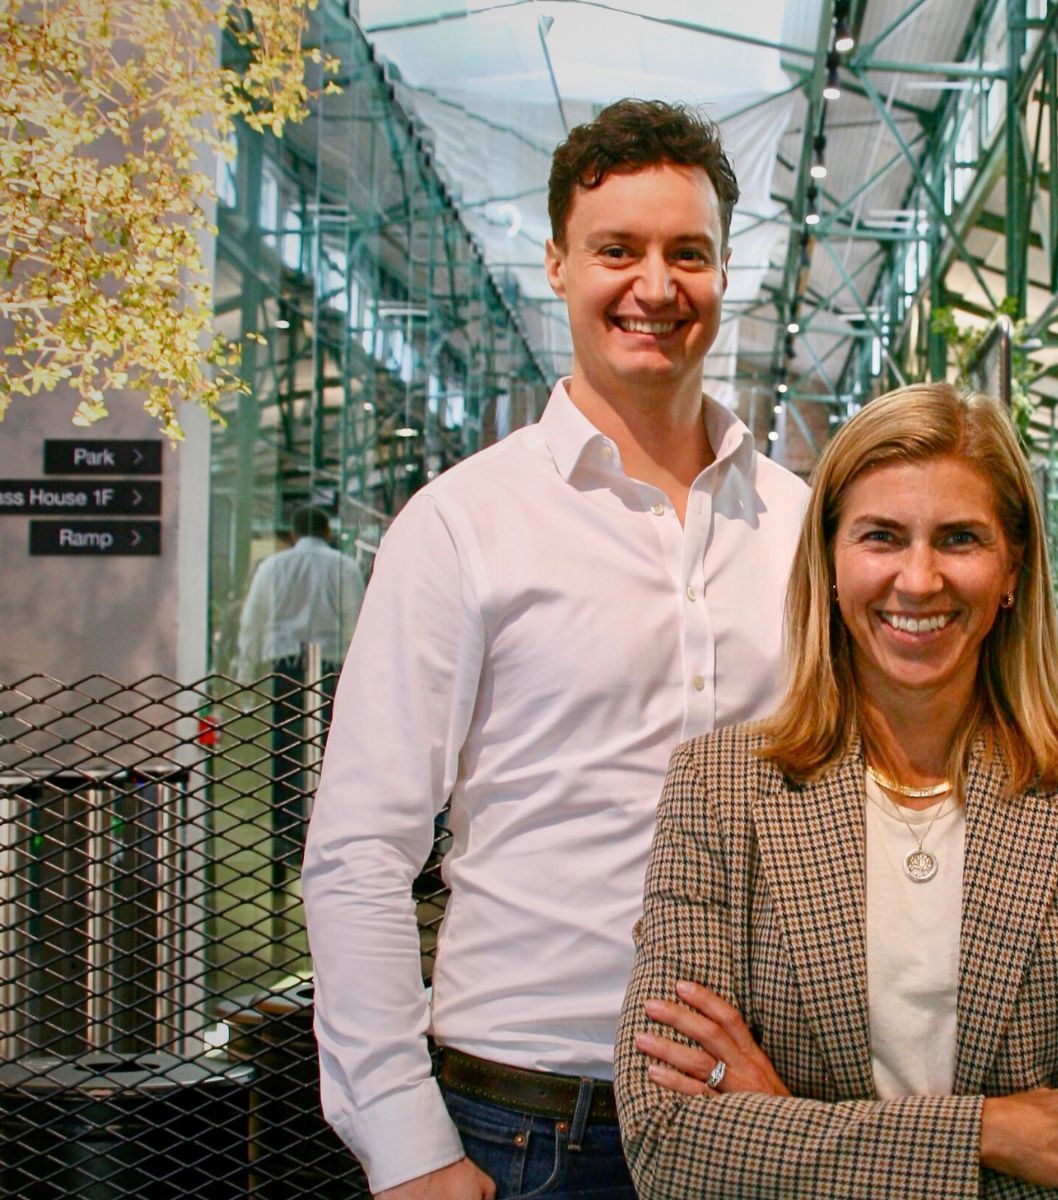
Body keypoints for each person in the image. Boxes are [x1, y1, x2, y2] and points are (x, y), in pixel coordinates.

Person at [302, 100, 809, 1200]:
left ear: (727, 272)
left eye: (690, 253)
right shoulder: (463, 523)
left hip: (762, 1112)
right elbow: (358, 852)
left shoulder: (803, 524)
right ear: (556, 264)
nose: (656, 286)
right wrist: (403, 1141)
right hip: (530, 1123)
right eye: (616, 250)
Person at [614, 384, 1058, 1200]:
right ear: (828, 563)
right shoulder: (719, 792)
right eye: (881, 537)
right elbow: (668, 1143)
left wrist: (785, 1127)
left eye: (959, 539)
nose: (918, 579)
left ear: (1011, 570)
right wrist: (1004, 1132)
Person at [235, 505, 365, 887]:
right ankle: (327, 844)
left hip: (286, 670)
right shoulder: (344, 567)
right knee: (331, 754)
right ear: (327, 531)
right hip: (330, 671)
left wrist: (246, 680)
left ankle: (284, 839)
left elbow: (252, 624)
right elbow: (357, 622)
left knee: (284, 751)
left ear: (293, 533)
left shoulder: (272, 568)